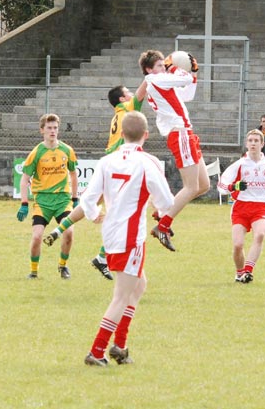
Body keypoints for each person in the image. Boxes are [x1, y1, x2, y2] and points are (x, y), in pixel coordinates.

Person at [46, 111, 174, 366]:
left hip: (111, 232)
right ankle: (97, 351)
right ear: (146, 136)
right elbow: (167, 201)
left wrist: (94, 214)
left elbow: (88, 198)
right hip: (131, 236)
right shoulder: (149, 162)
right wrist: (159, 211)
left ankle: (120, 345)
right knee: (121, 296)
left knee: (139, 285)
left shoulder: (107, 161)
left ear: (122, 134)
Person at [139, 50, 210, 251]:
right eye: (160, 65)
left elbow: (187, 93)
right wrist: (176, 66)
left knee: (203, 185)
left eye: (164, 65)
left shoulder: (160, 81)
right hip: (180, 134)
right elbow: (183, 77)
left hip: (186, 134)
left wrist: (193, 73)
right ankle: (163, 225)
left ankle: (163, 212)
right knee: (191, 187)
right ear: (149, 70)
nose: (164, 68)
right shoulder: (155, 79)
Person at [89, 81, 148, 279]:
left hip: (113, 161)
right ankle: (103, 256)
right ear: (122, 99)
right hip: (121, 163)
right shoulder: (126, 109)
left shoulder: (118, 114)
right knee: (120, 213)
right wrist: (153, 75)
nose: (131, 95)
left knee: (118, 213)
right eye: (127, 93)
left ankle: (102, 256)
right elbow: (141, 93)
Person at [16, 113, 78, 280]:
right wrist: (24, 203)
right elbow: (24, 179)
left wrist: (75, 198)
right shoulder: (36, 152)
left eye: (55, 128)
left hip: (62, 201)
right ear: (42, 130)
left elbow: (73, 174)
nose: (53, 131)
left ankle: (63, 266)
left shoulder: (67, 150)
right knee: (37, 237)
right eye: (49, 128)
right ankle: (34, 271)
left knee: (69, 232)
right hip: (42, 202)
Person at [218, 129, 265, 283]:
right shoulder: (240, 164)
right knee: (238, 245)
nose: (253, 143)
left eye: (256, 141)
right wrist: (234, 186)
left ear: (262, 144)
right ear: (246, 144)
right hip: (241, 207)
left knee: (259, 235)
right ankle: (239, 273)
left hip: (260, 206)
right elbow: (221, 186)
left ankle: (248, 271)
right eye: (250, 141)